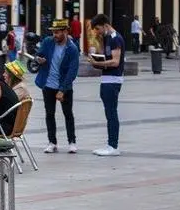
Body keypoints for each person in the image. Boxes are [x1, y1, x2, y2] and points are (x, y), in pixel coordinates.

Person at [34, 19, 80, 154]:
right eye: (53, 32)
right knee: (49, 114)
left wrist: (62, 90)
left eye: (57, 32)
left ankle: (72, 142)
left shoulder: (72, 49)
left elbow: (72, 71)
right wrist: (39, 59)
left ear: (65, 31)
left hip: (64, 86)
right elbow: (39, 54)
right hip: (48, 84)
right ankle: (52, 142)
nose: (55, 35)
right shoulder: (47, 42)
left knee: (68, 114)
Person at [88, 13, 125, 156]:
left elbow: (115, 62)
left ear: (105, 25)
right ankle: (110, 144)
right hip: (107, 79)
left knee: (111, 113)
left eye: (98, 29)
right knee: (109, 113)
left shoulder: (116, 38)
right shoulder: (107, 38)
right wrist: (96, 57)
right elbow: (107, 57)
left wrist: (98, 63)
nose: (97, 32)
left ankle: (113, 146)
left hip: (113, 80)